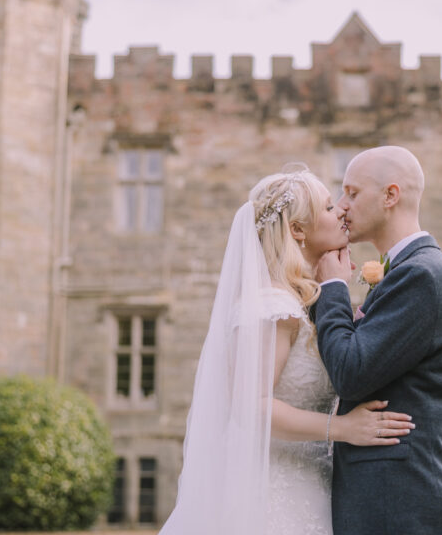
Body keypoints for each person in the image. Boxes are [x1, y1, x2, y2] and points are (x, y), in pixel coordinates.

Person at [159, 167, 415, 535]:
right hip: (274, 495)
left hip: (314, 485)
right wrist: (342, 428)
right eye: (328, 207)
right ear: (297, 229)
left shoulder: (304, 302)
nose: (340, 212)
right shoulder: (274, 306)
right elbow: (252, 406)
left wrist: (335, 289)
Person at [313, 146, 442, 535]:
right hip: (394, 501)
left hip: (401, 505)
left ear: (390, 196)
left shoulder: (423, 275)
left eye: (352, 193)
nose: (341, 204)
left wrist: (332, 287)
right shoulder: (409, 271)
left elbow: (351, 373)